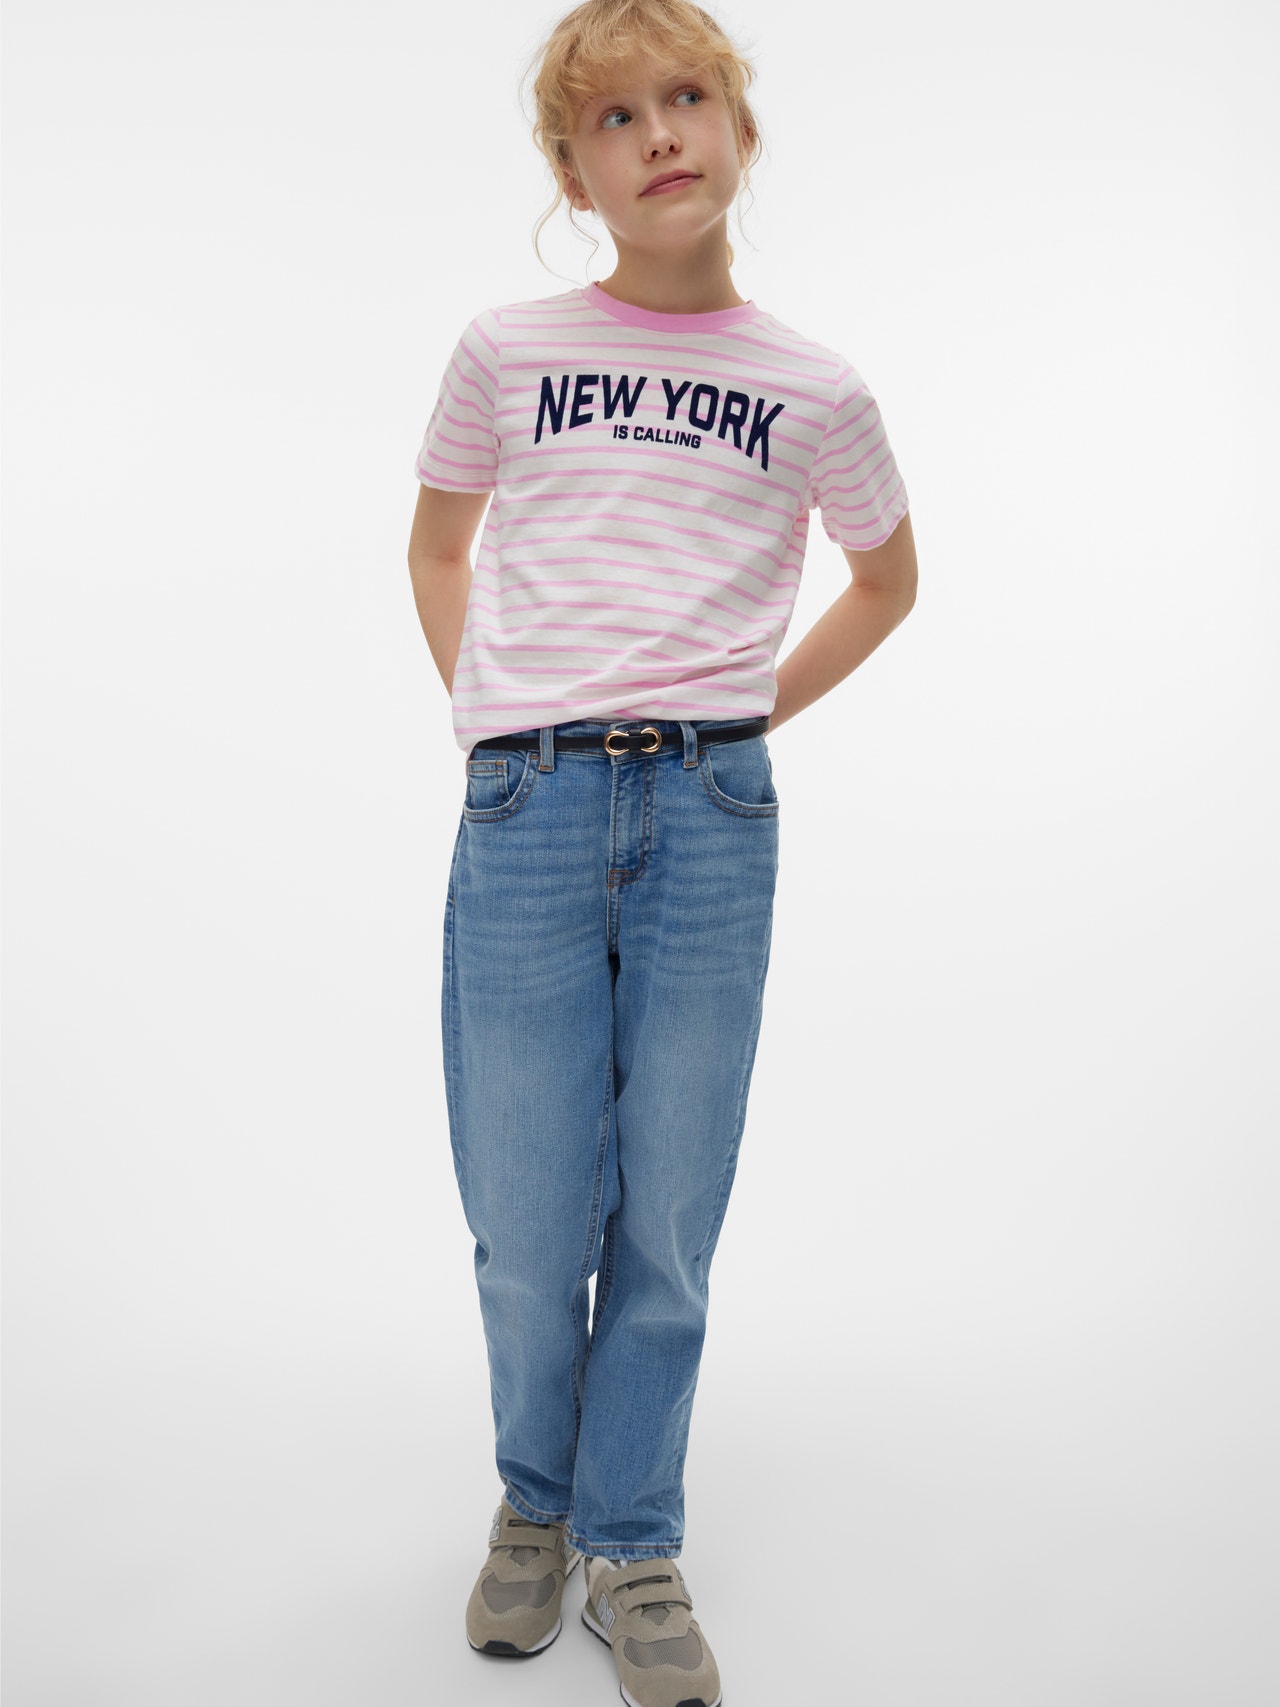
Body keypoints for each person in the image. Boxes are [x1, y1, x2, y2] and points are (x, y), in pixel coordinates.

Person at [406, 2, 917, 1700]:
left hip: (709, 815)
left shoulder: (816, 388)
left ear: (742, 131)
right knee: (527, 1211)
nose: (660, 136)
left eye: (688, 98)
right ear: (575, 176)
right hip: (529, 810)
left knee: (672, 1207)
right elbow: (437, 548)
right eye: (614, 121)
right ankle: (534, 1502)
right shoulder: (506, 353)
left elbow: (889, 581)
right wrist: (493, 721)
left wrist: (746, 711)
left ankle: (632, 1534)